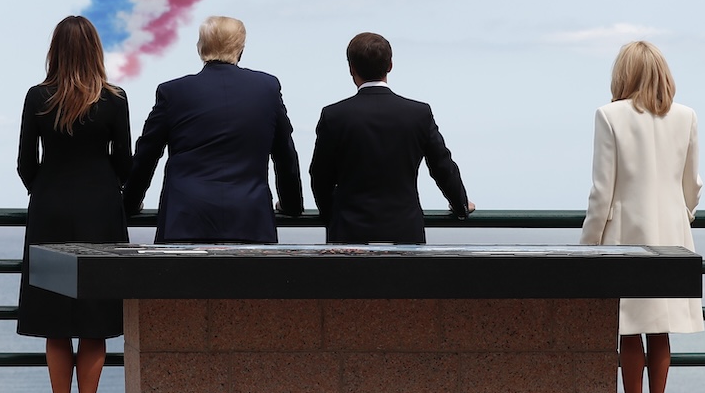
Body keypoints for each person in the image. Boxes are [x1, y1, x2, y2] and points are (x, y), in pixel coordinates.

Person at [579, 40, 705, 393]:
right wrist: (679, 213)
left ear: (624, 73)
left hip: (625, 233)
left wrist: (588, 245)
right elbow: (692, 186)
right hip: (671, 234)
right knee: (659, 326)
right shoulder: (685, 116)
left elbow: (602, 191)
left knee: (628, 327)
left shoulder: (609, 115)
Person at [16, 15, 131, 393]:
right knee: (95, 322)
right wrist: (105, 190)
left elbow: (26, 162)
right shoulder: (114, 100)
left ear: (55, 51)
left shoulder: (38, 97)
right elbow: (125, 163)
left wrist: (45, 192)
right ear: (95, 51)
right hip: (101, 213)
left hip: (51, 213)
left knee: (56, 320)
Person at [122, 15, 303, 242]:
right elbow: (285, 155)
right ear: (241, 48)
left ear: (201, 47)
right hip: (250, 220)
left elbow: (146, 157)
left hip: (186, 219)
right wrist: (293, 206)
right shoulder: (267, 88)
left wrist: (128, 205)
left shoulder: (173, 92)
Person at [309, 31, 474, 244]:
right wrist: (460, 205)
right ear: (390, 66)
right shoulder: (418, 114)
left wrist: (331, 216)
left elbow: (320, 176)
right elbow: (442, 166)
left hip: (349, 234)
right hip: (404, 232)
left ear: (351, 68)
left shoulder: (335, 115)